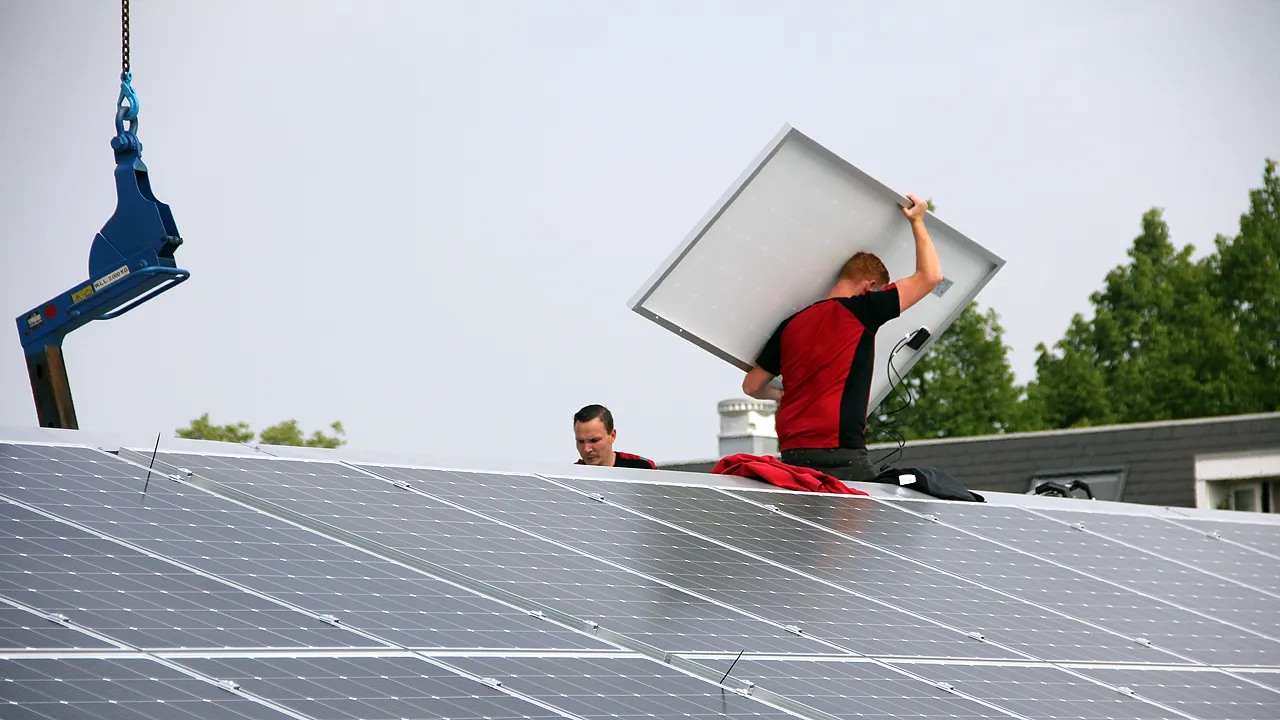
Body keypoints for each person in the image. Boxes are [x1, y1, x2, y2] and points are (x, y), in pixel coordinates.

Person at [740, 195, 943, 484]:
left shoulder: (791, 324)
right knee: (870, 524)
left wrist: (781, 395)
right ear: (869, 285)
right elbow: (931, 276)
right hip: (839, 453)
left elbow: (751, 385)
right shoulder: (863, 309)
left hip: (793, 456)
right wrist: (918, 220)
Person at [573, 404, 657, 469]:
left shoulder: (642, 468)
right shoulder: (570, 476)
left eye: (594, 440)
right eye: (580, 441)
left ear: (612, 435)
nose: (586, 449)